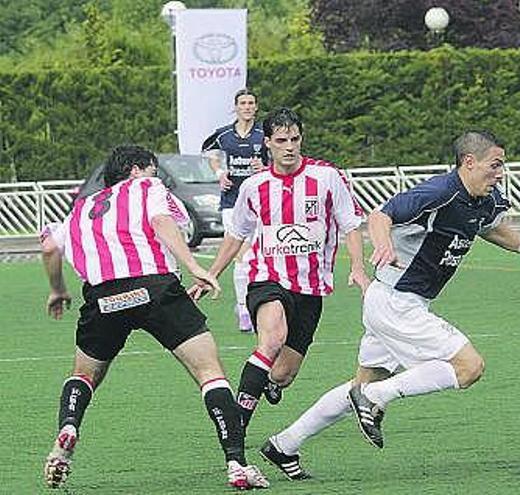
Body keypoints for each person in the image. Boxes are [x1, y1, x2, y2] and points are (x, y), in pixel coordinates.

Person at [257, 130, 520, 481]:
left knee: (360, 384)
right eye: (495, 166)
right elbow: (381, 216)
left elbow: (492, 229)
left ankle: (284, 444)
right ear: (469, 162)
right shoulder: (440, 192)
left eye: (502, 166)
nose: (500, 173)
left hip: (394, 303)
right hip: (396, 303)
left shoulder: (485, 198)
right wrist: (383, 245)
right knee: (468, 367)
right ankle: (376, 396)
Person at [40, 145, 268, 489]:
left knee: (84, 375)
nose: (156, 177)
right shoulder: (147, 188)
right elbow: (162, 222)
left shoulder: (82, 208)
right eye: (152, 169)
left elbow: (48, 247)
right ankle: (237, 464)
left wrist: (57, 290)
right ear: (135, 170)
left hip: (103, 298)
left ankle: (69, 427)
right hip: (154, 288)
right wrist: (193, 267)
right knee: (209, 373)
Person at [189, 107, 369, 438]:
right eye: (282, 140)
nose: (290, 146)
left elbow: (351, 224)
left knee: (284, 373)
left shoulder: (327, 176)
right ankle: (236, 429)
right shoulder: (254, 186)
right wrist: (210, 273)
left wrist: (357, 267)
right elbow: (237, 235)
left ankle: (270, 382)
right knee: (271, 340)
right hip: (267, 277)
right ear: (268, 143)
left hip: (311, 286)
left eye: (295, 139)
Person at [201, 87, 265, 332]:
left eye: (251, 103)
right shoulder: (224, 134)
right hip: (231, 202)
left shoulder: (264, 134)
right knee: (241, 255)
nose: (247, 107)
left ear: (256, 107)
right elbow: (209, 152)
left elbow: (279, 159)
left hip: (259, 202)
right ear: (236, 107)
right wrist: (219, 173)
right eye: (243, 103)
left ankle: (251, 304)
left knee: (254, 256)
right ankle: (243, 309)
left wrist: (265, 167)